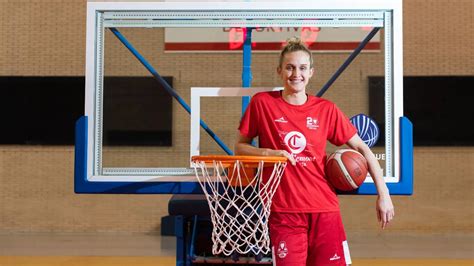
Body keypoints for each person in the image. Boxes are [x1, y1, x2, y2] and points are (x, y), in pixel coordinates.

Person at [235, 37, 395, 266]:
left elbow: (362, 148)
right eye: (289, 67)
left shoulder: (326, 109)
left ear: (311, 72)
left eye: (302, 68)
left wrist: (384, 194)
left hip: (324, 209)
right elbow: (239, 147)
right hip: (284, 211)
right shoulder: (262, 103)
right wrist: (270, 154)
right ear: (280, 70)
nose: (295, 74)